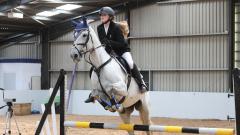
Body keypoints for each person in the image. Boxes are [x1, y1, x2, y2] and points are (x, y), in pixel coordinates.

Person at [84, 7, 147, 103]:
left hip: (122, 51)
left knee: (130, 63)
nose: (102, 17)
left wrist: (109, 42)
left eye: (104, 15)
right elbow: (102, 43)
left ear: (110, 17)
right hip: (108, 51)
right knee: (94, 68)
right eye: (101, 15)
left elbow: (121, 43)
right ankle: (94, 92)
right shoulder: (99, 28)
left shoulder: (116, 28)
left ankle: (141, 84)